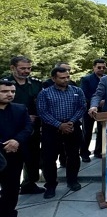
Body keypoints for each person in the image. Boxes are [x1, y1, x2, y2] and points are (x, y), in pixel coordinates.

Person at [36, 67, 87, 199]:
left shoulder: (77, 91)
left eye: (67, 77)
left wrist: (71, 122)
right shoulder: (45, 93)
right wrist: (59, 125)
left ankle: (72, 180)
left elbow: (82, 107)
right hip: (52, 129)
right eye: (62, 78)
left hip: (72, 127)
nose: (66, 80)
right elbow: (42, 112)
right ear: (53, 78)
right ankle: (51, 185)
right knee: (49, 159)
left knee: (73, 155)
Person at [3, 56, 44, 195]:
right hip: (10, 129)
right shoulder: (5, 85)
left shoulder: (36, 84)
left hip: (32, 128)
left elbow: (42, 103)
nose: (26, 71)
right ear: (12, 68)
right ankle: (7, 187)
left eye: (29, 68)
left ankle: (29, 184)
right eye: (22, 68)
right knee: (10, 159)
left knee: (32, 157)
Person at [0, 79, 32, 217]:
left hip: (15, 155)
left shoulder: (20, 108)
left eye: (12, 91)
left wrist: (16, 141)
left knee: (12, 188)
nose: (10, 94)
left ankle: (8, 216)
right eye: (4, 91)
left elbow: (28, 127)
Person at [79, 59, 107, 161]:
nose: (101, 69)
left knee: (102, 131)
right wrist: (96, 103)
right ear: (94, 67)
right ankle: (84, 153)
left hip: (104, 109)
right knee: (87, 132)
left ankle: (98, 151)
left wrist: (105, 101)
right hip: (89, 109)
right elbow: (84, 94)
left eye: (103, 67)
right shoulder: (86, 79)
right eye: (99, 67)